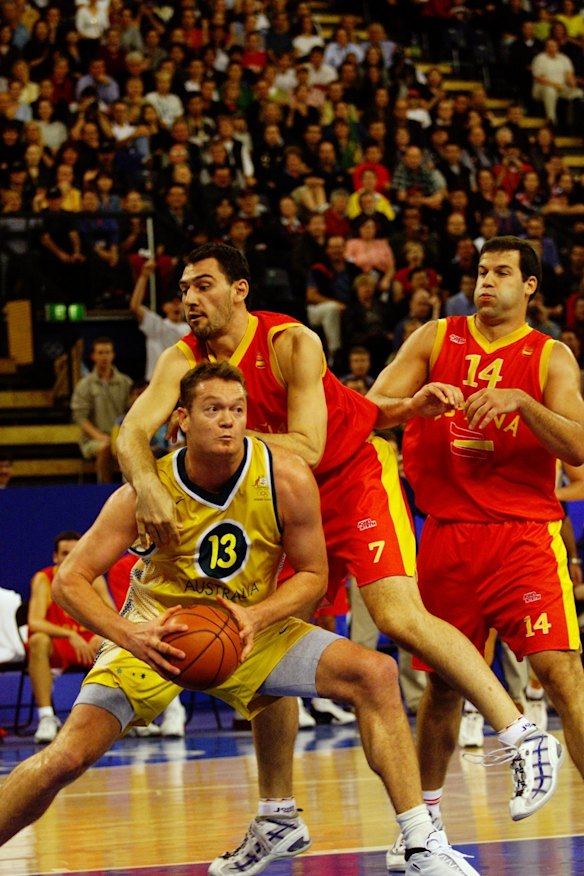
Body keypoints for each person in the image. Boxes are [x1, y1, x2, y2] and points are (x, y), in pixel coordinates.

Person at [116, 243, 561, 876]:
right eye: (184, 287)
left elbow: (310, 444)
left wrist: (208, 437)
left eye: (204, 286)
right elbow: (131, 433)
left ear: (240, 290)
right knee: (263, 643)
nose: (190, 298)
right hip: (277, 499)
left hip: (349, 477)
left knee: (398, 616)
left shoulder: (291, 342)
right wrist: (151, 485)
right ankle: (277, 814)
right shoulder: (182, 360)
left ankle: (521, 736)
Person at [0, 362, 480, 876]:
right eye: (213, 410)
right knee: (64, 759)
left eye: (237, 409)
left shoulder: (286, 476)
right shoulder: (147, 490)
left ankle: (420, 842)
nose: (228, 421)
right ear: (181, 419)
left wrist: (257, 615)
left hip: (250, 628)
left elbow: (314, 575)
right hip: (157, 633)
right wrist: (130, 635)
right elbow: (70, 578)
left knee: (376, 673)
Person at [367, 236, 584, 870]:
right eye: (481, 272)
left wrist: (523, 402)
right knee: (440, 692)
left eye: (501, 273)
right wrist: (414, 403)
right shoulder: (436, 337)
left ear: (531, 287)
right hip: (448, 533)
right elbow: (370, 410)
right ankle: (422, 833)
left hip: (523, 537)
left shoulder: (552, 358)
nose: (486, 282)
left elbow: (578, 446)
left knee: (565, 677)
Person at [27, 530, 115, 744]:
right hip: (61, 645)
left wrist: (99, 635)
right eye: (65, 553)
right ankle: (47, 716)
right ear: (55, 557)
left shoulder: (94, 579)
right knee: (38, 640)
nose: (69, 558)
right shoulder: (44, 579)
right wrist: (69, 635)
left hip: (89, 645)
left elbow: (114, 616)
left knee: (115, 641)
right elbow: (35, 622)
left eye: (75, 553)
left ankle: (123, 718)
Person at [70, 337, 133, 484]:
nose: (104, 356)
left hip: (120, 436)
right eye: (100, 353)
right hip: (94, 439)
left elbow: (130, 411)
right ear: (93, 356)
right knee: (104, 447)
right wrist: (100, 437)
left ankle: (131, 487)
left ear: (113, 355)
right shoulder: (84, 385)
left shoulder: (125, 382)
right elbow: (80, 417)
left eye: (107, 352)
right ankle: (104, 487)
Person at [129, 260, 190, 381]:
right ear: (164, 307)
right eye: (171, 303)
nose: (176, 306)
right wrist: (144, 276)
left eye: (179, 303)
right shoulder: (157, 325)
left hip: (182, 385)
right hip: (156, 383)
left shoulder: (193, 329)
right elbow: (135, 306)